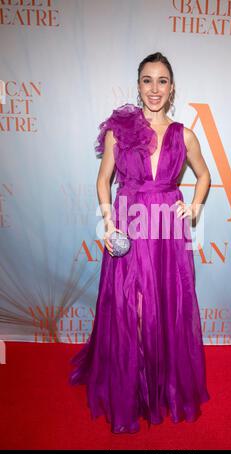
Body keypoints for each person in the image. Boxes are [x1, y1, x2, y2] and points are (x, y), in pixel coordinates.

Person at [69, 52, 211, 434]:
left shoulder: (185, 134)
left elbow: (204, 176)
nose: (154, 89)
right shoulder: (120, 130)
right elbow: (103, 181)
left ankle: (162, 385)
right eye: (147, 80)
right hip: (129, 227)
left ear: (172, 87)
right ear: (138, 85)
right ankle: (131, 386)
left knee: (164, 305)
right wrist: (109, 223)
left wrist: (194, 209)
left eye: (162, 80)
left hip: (167, 227)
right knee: (130, 308)